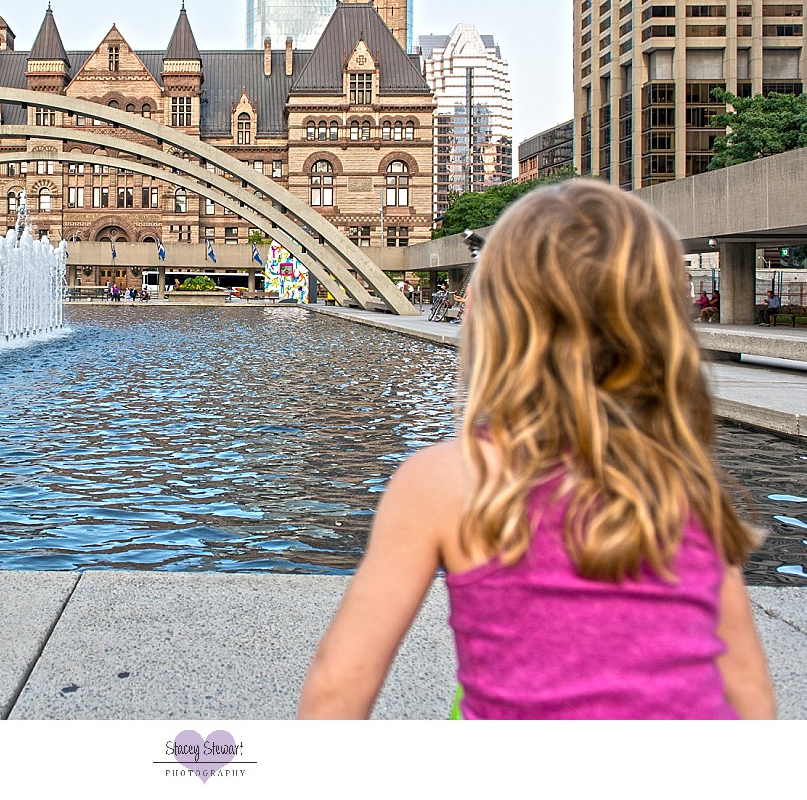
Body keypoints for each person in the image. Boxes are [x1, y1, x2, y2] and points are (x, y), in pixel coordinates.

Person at [298, 181, 774, 720]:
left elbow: (337, 690)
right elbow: (749, 692)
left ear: (485, 320)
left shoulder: (448, 481)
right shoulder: (684, 482)